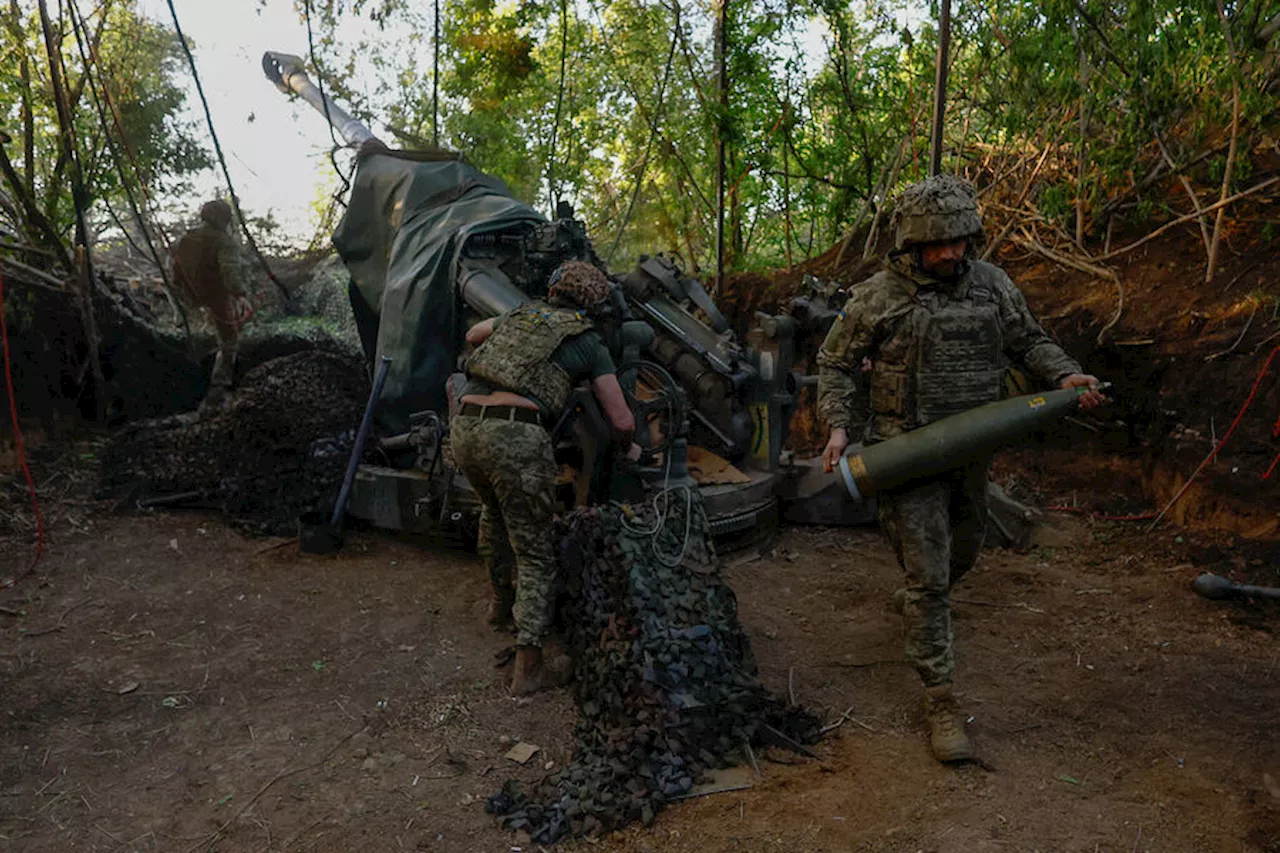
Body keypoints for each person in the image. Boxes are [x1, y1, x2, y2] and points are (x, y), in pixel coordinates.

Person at [816, 174, 1105, 763]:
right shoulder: (879, 297)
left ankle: (924, 601)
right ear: (913, 244)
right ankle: (940, 698)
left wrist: (1064, 373)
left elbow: (1030, 342)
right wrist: (840, 426)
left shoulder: (992, 286)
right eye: (939, 243)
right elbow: (835, 363)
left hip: (970, 451)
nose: (951, 253)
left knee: (963, 553)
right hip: (907, 454)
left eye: (960, 241)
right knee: (928, 576)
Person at [451, 260, 636, 695]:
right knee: (535, 551)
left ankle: (499, 605)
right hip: (513, 435)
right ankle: (530, 666)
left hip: (466, 426)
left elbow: (473, 336)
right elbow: (622, 419)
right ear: (594, 304)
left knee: (493, 514)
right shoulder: (589, 341)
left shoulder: (522, 313)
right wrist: (630, 444)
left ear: (553, 290)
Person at [171, 200, 251, 410]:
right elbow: (230, 271)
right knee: (229, 340)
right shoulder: (224, 242)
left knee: (201, 335)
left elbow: (175, 270)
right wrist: (240, 294)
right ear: (224, 219)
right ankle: (217, 392)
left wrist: (182, 291)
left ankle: (193, 380)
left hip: (188, 296)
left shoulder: (185, 239)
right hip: (216, 298)